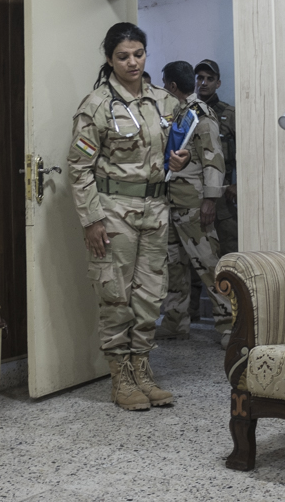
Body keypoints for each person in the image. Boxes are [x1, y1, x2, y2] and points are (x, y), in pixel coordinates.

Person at [67, 22, 190, 411]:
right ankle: (120, 377)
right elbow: (79, 168)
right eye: (123, 56)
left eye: (138, 54)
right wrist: (91, 220)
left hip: (155, 209)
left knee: (151, 294)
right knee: (115, 294)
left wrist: (179, 159)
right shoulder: (97, 105)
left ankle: (143, 369)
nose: (132, 62)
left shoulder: (162, 101)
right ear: (109, 59)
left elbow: (176, 149)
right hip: (114, 212)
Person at [157, 60, 233, 347]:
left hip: (194, 203)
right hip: (172, 202)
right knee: (174, 267)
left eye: (165, 84)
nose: (164, 88)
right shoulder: (177, 114)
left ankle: (228, 325)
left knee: (208, 264)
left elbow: (214, 158)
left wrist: (210, 201)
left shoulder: (201, 115)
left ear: (172, 86)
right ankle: (176, 322)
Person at [194, 59, 237, 257]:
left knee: (229, 250)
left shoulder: (229, 114)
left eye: (209, 79)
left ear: (218, 83)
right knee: (194, 253)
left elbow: (244, 154)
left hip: (223, 194)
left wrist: (238, 185)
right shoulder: (188, 112)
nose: (204, 83)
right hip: (193, 192)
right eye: (200, 78)